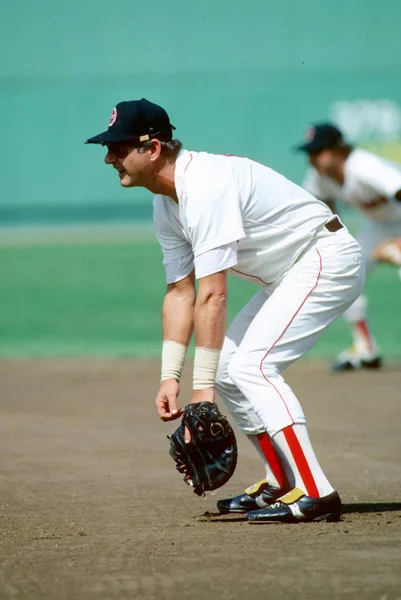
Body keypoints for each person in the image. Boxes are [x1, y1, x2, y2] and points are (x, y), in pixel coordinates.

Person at [86, 98, 365, 523]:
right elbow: (180, 292)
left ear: (153, 148)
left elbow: (213, 294)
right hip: (292, 271)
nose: (109, 157)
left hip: (325, 257)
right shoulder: (166, 201)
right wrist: (170, 375)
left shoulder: (204, 185)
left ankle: (316, 492)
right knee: (224, 368)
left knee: (253, 366)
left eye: (119, 147)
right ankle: (284, 480)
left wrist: (201, 397)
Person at [296, 123, 401, 372]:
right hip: (380, 225)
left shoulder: (362, 166)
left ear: (337, 150)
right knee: (344, 270)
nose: (313, 158)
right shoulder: (318, 177)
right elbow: (324, 211)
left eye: (319, 150)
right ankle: (366, 348)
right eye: (310, 152)